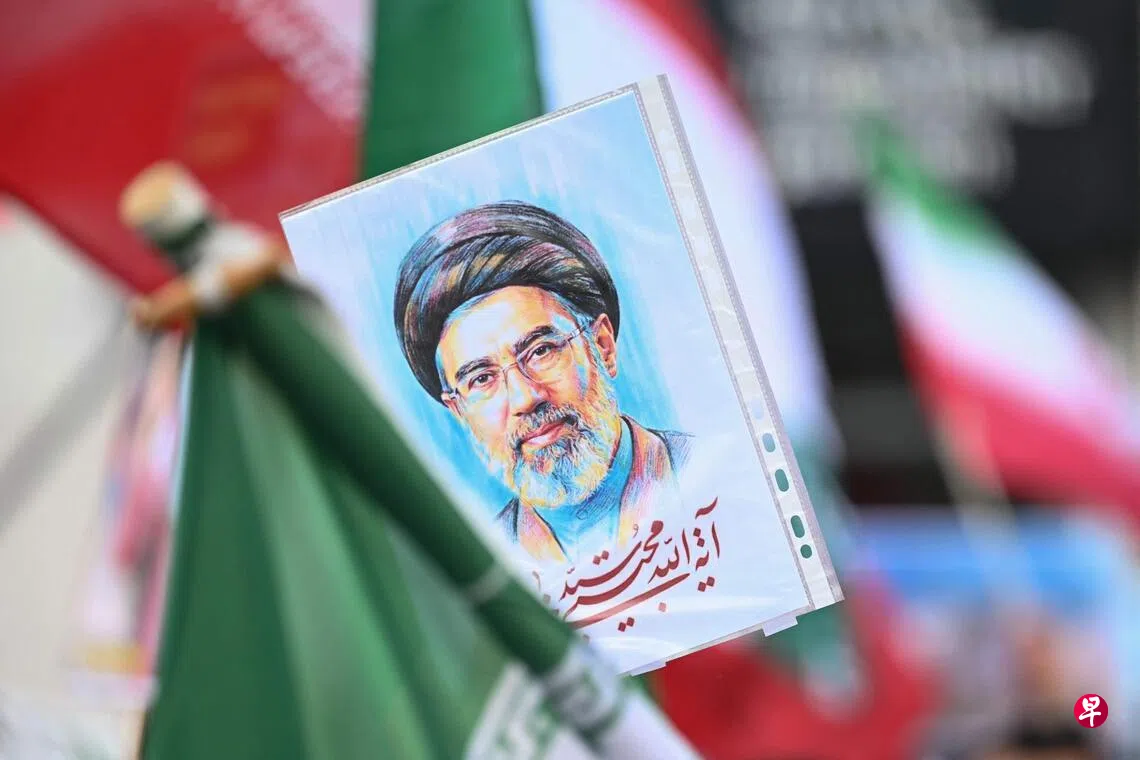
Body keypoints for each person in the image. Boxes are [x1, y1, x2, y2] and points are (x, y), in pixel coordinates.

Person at [394, 201, 691, 563]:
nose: (525, 398)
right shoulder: (484, 562)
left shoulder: (712, 471)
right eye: (482, 378)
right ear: (459, 411)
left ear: (602, 346)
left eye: (541, 351)